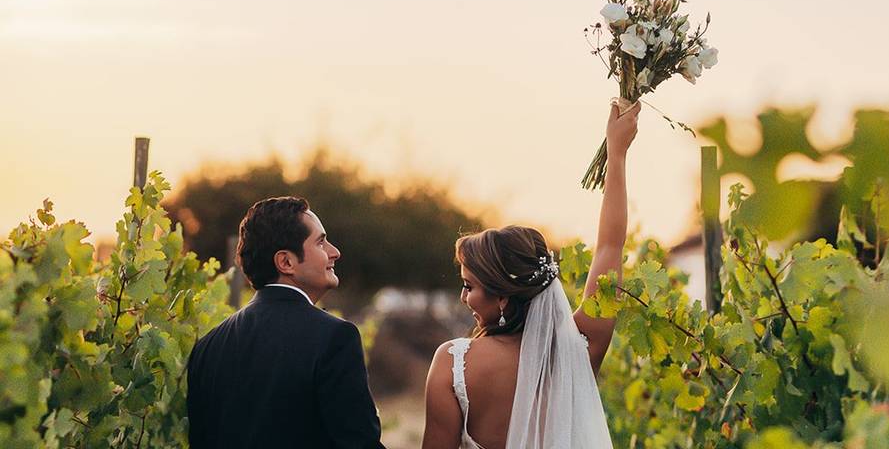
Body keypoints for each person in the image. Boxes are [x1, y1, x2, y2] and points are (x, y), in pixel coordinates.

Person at [421, 100, 640, 449]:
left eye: (469, 286)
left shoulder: (453, 364)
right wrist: (617, 154)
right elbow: (610, 247)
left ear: (503, 296)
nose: (464, 297)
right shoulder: (577, 352)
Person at [187, 196, 385, 449]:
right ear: (286, 262)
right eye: (321, 243)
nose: (335, 252)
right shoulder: (334, 338)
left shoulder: (206, 347)